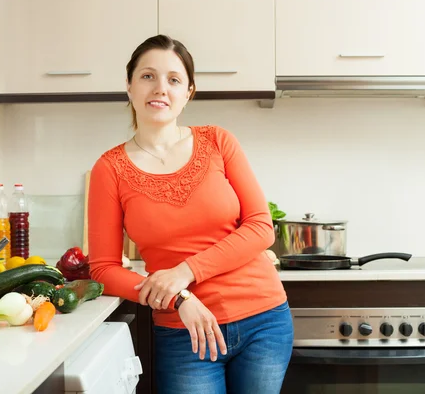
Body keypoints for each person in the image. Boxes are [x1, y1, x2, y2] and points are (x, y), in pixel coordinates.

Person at [88, 34, 293, 394]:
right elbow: (103, 269)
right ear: (129, 87)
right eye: (148, 76)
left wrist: (186, 272)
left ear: (188, 93)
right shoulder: (110, 169)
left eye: (174, 80)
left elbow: (261, 227)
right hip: (184, 334)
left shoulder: (218, 141)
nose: (160, 89)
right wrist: (178, 296)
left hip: (264, 320)